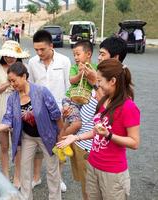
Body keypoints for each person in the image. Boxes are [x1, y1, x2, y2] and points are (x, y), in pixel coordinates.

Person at [0, 62, 64, 200]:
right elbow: (8, 120)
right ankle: (25, 197)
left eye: (14, 80)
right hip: (28, 137)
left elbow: (56, 115)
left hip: (47, 136)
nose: (12, 84)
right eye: (10, 81)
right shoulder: (13, 98)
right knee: (24, 169)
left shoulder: (41, 92)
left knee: (52, 170)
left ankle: (55, 197)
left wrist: (61, 136)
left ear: (24, 76)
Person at [58, 58, 140, 200]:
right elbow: (97, 130)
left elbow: (134, 142)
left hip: (113, 173)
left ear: (112, 81)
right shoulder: (104, 100)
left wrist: (109, 135)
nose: (98, 84)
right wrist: (76, 137)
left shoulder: (128, 107)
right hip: (93, 164)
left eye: (100, 80)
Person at [64, 36, 128, 200]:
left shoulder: (120, 81)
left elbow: (108, 107)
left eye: (102, 54)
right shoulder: (99, 72)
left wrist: (94, 82)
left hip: (94, 147)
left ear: (115, 58)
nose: (98, 57)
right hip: (82, 141)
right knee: (88, 191)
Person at [27, 29, 71, 192]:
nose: (39, 53)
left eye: (42, 49)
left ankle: (58, 178)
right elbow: (30, 86)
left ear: (51, 46)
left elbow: (68, 86)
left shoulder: (64, 61)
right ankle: (36, 177)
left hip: (60, 112)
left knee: (59, 145)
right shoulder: (32, 62)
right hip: (38, 113)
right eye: (36, 49)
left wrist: (67, 105)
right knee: (38, 147)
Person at [0, 40, 30, 189]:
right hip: (1, 105)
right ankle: (5, 174)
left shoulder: (23, 68)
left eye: (12, 55)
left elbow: (26, 89)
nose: (9, 58)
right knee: (4, 146)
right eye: (6, 55)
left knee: (18, 145)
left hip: (17, 105)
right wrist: (9, 82)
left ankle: (17, 176)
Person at [62, 40, 97, 137]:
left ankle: (66, 140)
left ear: (88, 54)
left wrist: (89, 75)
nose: (75, 57)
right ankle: (61, 140)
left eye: (78, 54)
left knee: (72, 122)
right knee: (77, 124)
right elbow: (72, 80)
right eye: (74, 55)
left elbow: (96, 82)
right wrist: (80, 74)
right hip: (71, 99)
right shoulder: (74, 67)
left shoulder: (95, 68)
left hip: (84, 99)